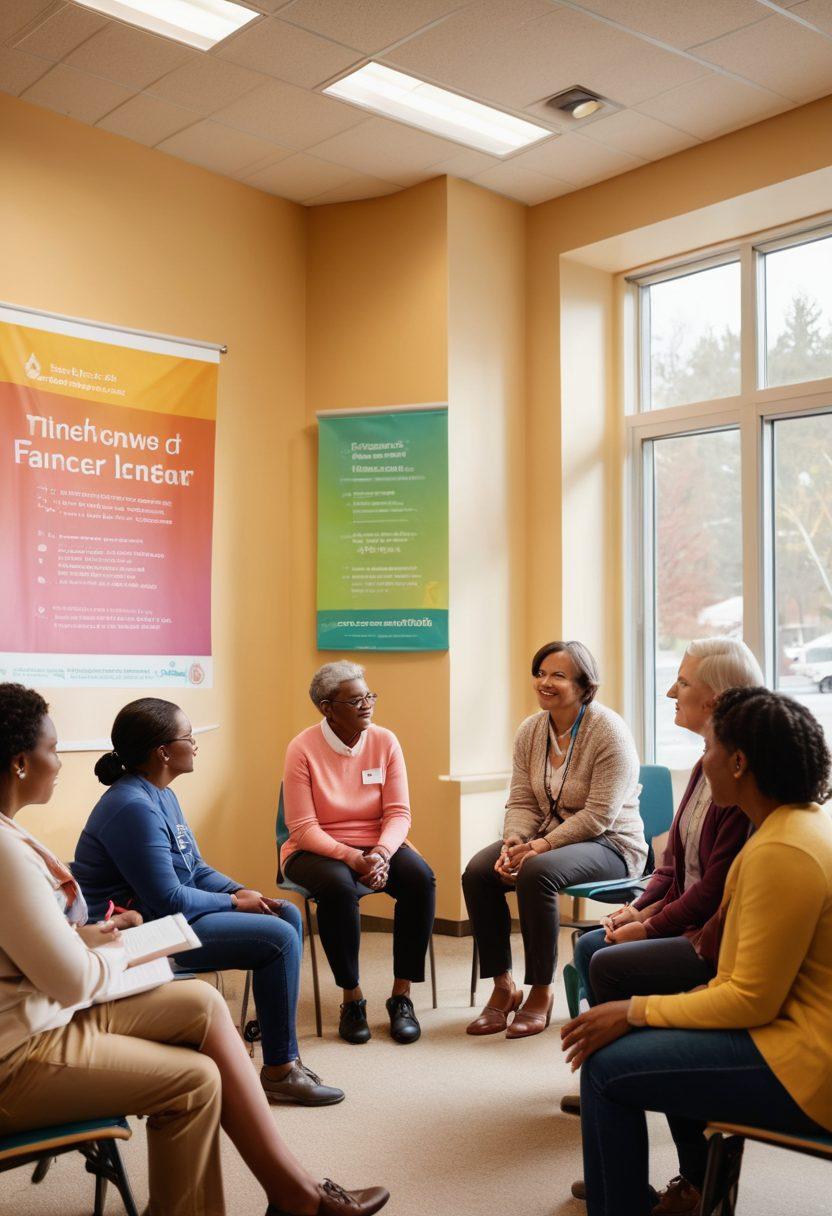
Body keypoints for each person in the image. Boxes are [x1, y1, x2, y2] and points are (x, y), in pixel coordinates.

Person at [0, 682, 389, 1216]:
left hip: (51, 1003)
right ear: (20, 763)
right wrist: (122, 945)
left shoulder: (33, 833)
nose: (60, 762)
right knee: (198, 1075)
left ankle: (291, 1178)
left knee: (211, 997)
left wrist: (237, 893)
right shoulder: (34, 843)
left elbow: (188, 871)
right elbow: (142, 917)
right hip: (26, 1041)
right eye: (52, 749)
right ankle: (291, 1170)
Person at [561, 686, 832, 1216]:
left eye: (709, 748)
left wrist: (635, 1012)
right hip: (791, 1036)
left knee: (608, 1069)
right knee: (653, 1043)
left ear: (738, 761)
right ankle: (683, 1186)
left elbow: (749, 1001)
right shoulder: (796, 828)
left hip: (806, 1065)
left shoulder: (781, 850)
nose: (701, 762)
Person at [71, 697, 342, 1108]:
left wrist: (245, 893)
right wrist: (234, 903)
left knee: (283, 911)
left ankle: (282, 1057)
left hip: (164, 915)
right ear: (163, 751)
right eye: (189, 737)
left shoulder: (161, 794)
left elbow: (194, 868)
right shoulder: (132, 806)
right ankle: (280, 1072)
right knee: (278, 939)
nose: (195, 745)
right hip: (129, 935)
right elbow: (168, 898)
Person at [463, 640, 647, 1038]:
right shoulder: (531, 730)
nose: (544, 682)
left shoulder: (609, 731)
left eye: (558, 676)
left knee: (537, 872)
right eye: (541, 673)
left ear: (584, 685)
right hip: (546, 839)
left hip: (611, 844)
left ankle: (541, 991)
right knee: (478, 870)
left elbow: (599, 815)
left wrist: (540, 847)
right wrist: (514, 840)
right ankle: (503, 986)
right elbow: (522, 799)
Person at [573, 638, 763, 1010]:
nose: (671, 691)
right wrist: (638, 909)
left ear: (718, 699)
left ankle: (630, 1051)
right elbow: (672, 867)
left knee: (604, 960)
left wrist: (647, 927)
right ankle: (612, 1059)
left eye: (684, 683)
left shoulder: (738, 779)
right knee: (589, 946)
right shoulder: (703, 766)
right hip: (686, 919)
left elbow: (710, 891)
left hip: (709, 936)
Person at [282, 661, 435, 1046]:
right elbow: (301, 828)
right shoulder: (302, 747)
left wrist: (381, 853)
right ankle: (352, 998)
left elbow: (398, 813)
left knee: (420, 878)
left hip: (378, 842)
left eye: (369, 696)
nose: (367, 705)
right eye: (355, 700)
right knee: (337, 888)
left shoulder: (385, 741)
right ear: (326, 707)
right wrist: (351, 858)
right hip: (316, 847)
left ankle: (401, 996)